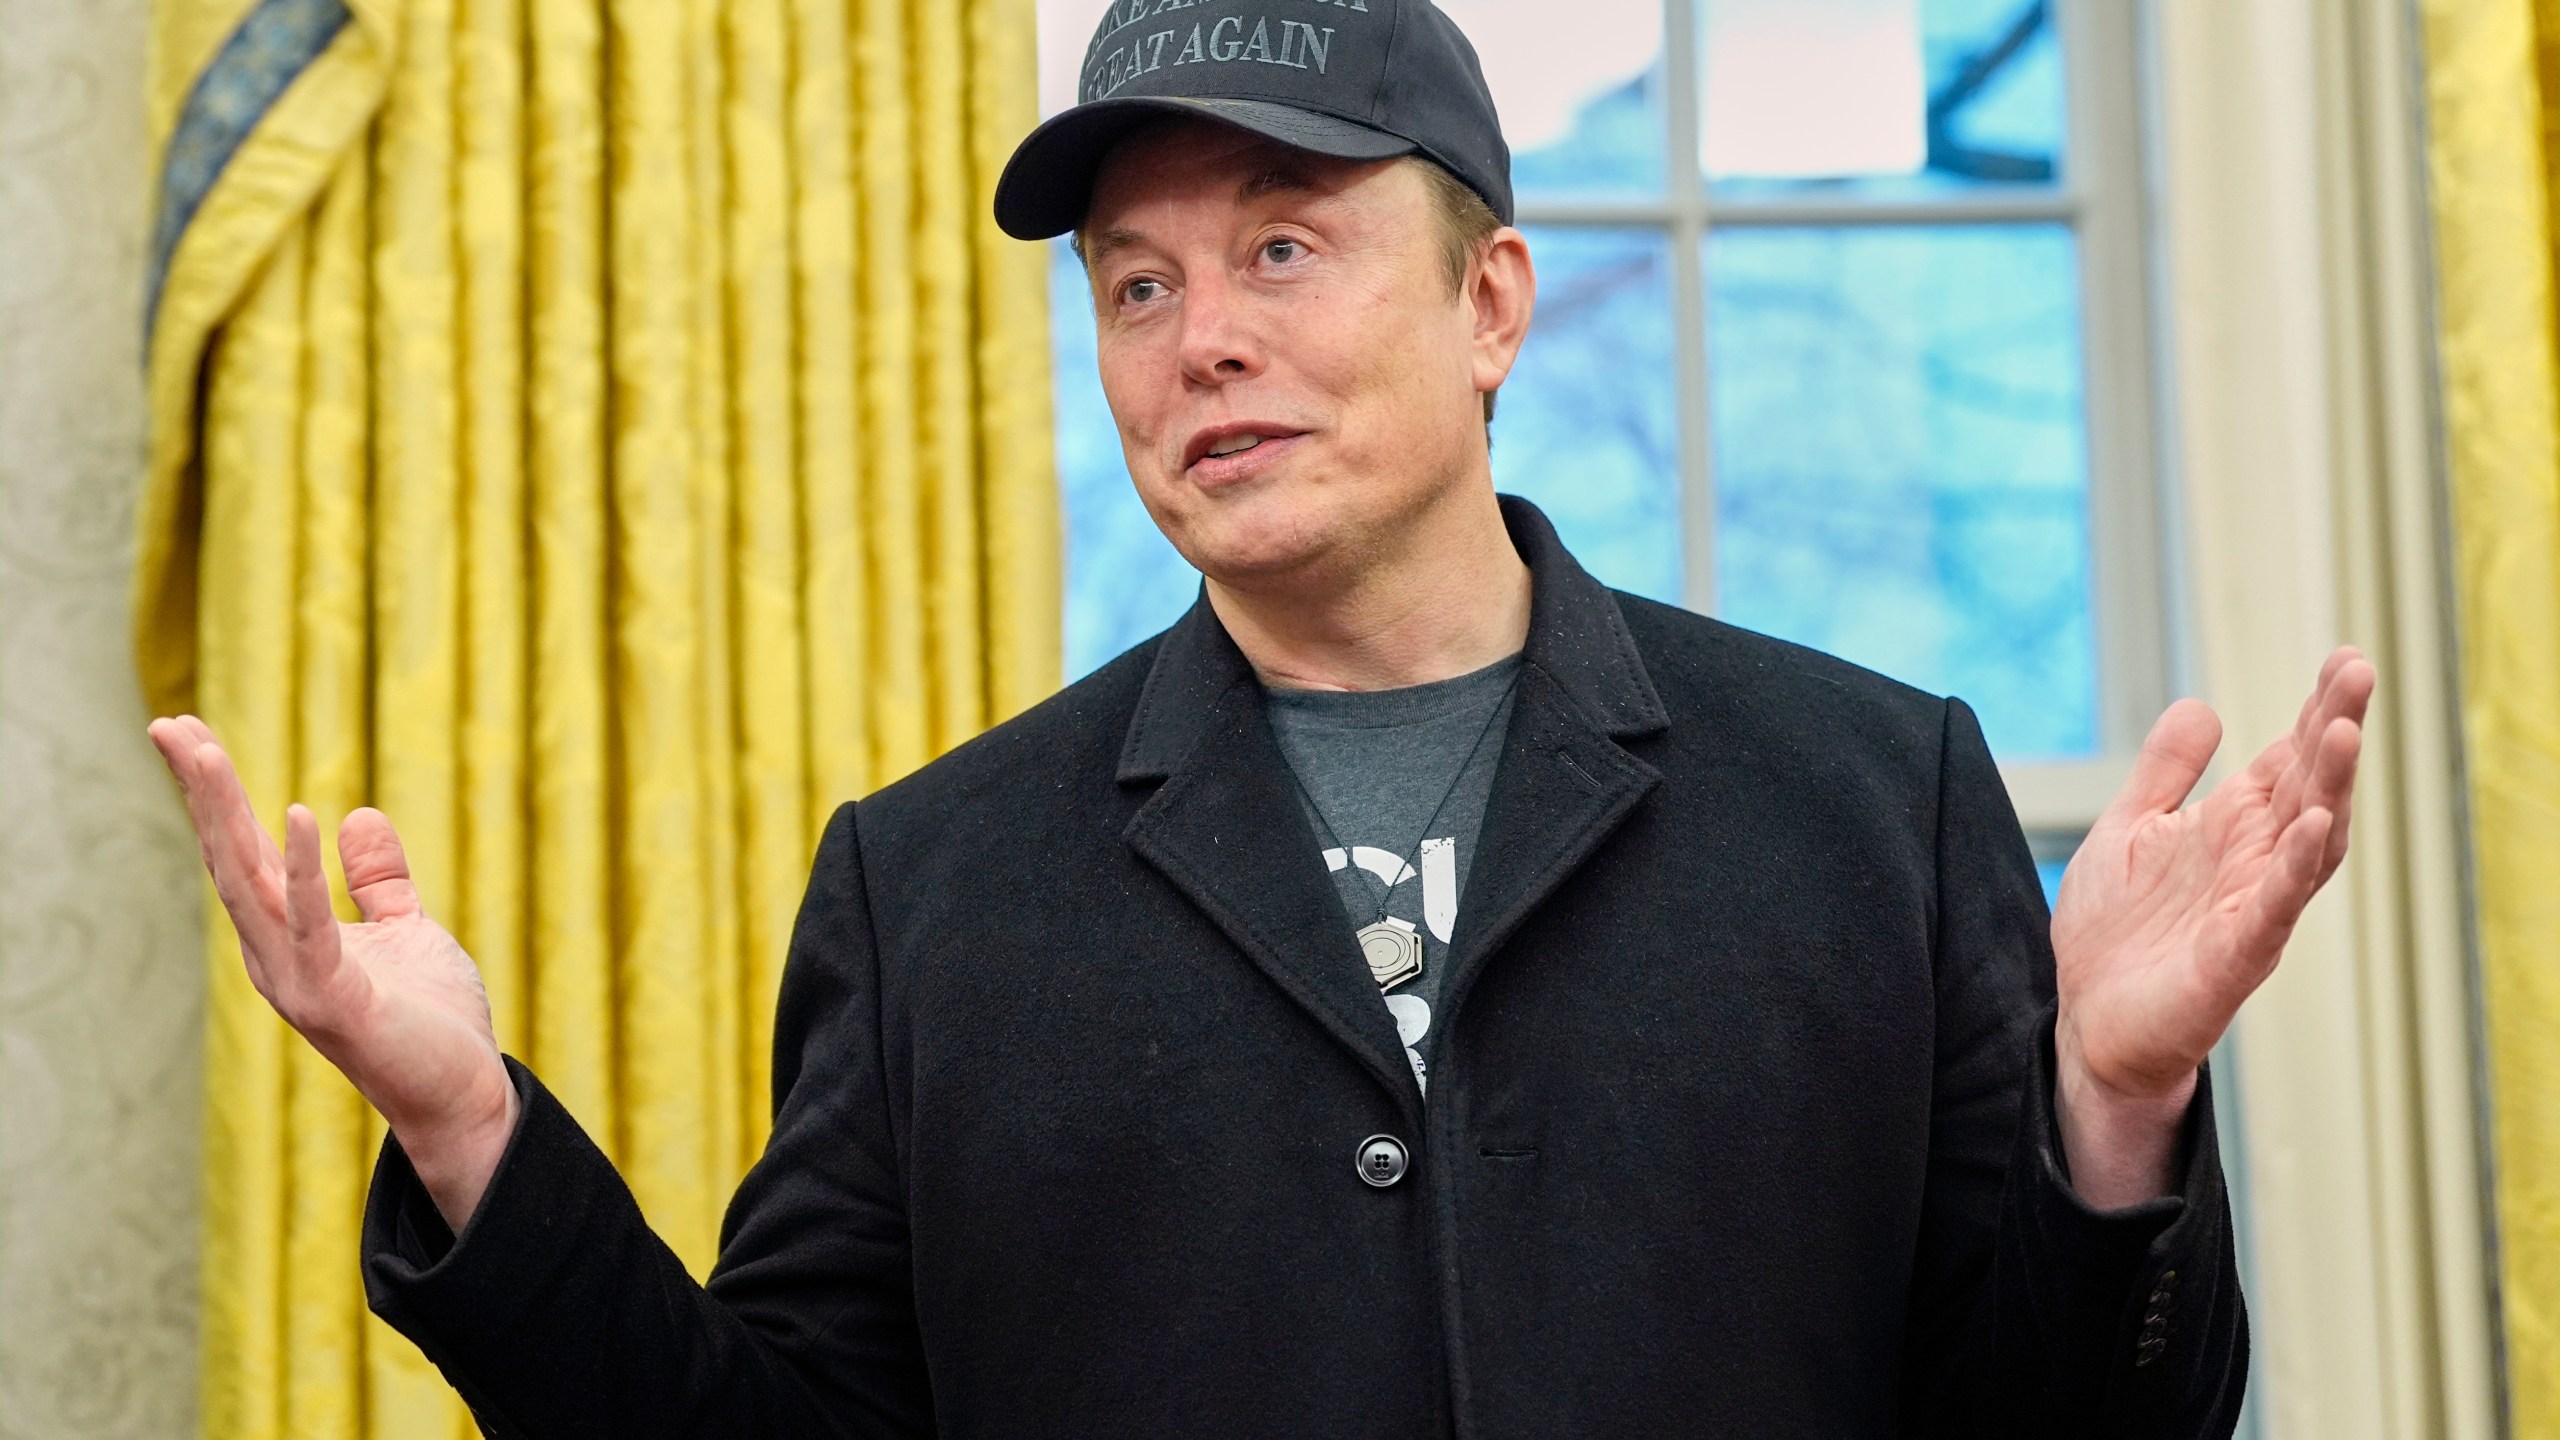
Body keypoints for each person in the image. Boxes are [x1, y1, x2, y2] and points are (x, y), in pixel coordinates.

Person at [148, 0, 2373, 1434]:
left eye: (1284, 248)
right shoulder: (929, 888)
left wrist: (2110, 1103)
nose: (1198, 335)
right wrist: (469, 1137)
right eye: (1136, 282)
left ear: (1489, 301)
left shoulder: (1867, 799)